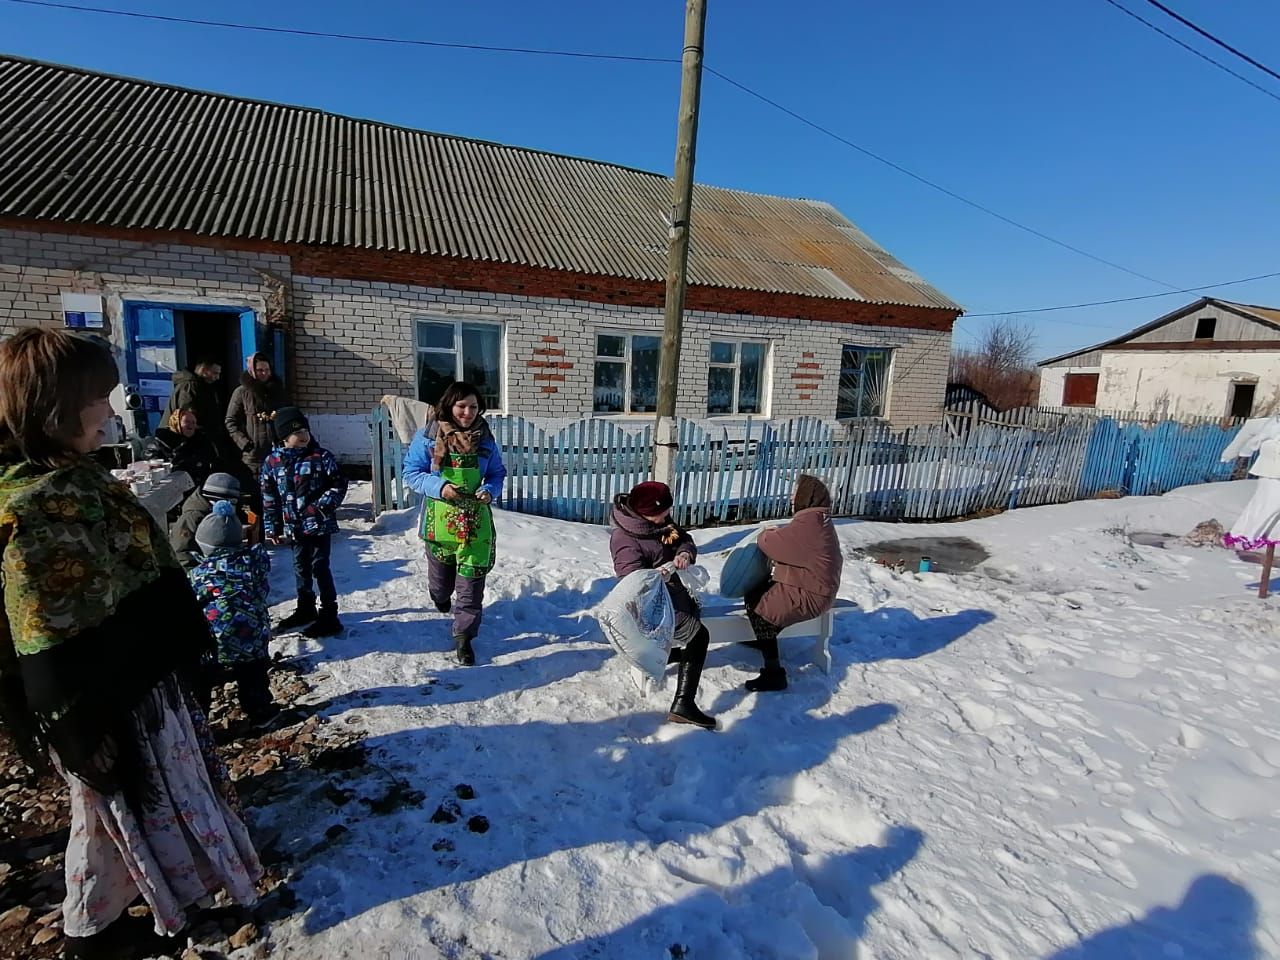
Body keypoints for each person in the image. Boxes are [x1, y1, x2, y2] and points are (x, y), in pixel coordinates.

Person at [0, 328, 261, 957]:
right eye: (102, 398)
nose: (113, 411)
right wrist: (77, 729)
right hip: (108, 707)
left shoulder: (67, 475)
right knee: (110, 821)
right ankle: (95, 934)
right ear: (57, 407)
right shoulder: (35, 506)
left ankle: (136, 912)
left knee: (141, 814)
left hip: (140, 688)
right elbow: (37, 630)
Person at [402, 382, 507, 666]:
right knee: (441, 584)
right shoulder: (427, 437)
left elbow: (497, 474)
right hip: (441, 523)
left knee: (471, 584)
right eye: (462, 406)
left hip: (475, 525)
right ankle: (439, 597)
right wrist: (439, 486)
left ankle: (464, 636)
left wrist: (490, 490)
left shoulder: (485, 439)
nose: (468, 412)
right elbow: (411, 473)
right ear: (449, 405)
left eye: (473, 407)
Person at [609, 481, 716, 730]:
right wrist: (659, 574)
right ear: (644, 512)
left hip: (675, 596)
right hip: (651, 608)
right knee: (699, 636)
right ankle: (683, 705)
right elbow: (632, 584)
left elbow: (682, 538)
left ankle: (668, 655)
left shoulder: (659, 523)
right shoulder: (625, 539)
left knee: (694, 629)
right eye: (662, 513)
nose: (668, 517)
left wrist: (684, 554)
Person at [743, 474, 843, 692]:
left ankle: (773, 672)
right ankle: (762, 639)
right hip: (816, 589)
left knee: (757, 602)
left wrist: (766, 534)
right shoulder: (818, 520)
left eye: (794, 494)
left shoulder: (809, 524)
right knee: (761, 592)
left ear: (805, 497)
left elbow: (771, 544)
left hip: (811, 594)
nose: (790, 499)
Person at [261, 406, 348, 639]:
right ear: (283, 437)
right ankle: (305, 608)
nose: (303, 435)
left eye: (305, 430)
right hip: (294, 527)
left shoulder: (320, 457)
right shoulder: (273, 462)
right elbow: (269, 497)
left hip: (319, 524)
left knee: (320, 567)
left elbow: (339, 483)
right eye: (296, 432)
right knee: (300, 568)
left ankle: (329, 614)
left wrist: (321, 506)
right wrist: (273, 527)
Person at [189, 501, 278, 726]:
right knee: (253, 675)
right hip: (253, 634)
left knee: (203, 680)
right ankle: (260, 712)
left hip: (217, 640)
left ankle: (199, 721)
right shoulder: (254, 563)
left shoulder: (200, 575)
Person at [224, 351, 289, 505]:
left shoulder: (277, 390)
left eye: (267, 370)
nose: (264, 373)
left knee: (279, 494)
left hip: (277, 451)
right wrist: (245, 444)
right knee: (257, 496)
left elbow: (287, 414)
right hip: (253, 455)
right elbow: (230, 421)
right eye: (260, 370)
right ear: (252, 370)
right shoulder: (242, 392)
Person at [170, 471, 255, 568]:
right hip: (200, 568)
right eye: (231, 502)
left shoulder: (223, 511)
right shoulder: (192, 516)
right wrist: (194, 572)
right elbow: (181, 550)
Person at [142, 405, 219, 489]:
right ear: (176, 422)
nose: (191, 425)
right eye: (187, 421)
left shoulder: (201, 441)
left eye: (193, 422)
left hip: (198, 487)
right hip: (170, 488)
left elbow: (213, 460)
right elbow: (151, 459)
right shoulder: (161, 440)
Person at [165, 359, 226, 450]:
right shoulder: (190, 386)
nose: (217, 377)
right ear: (204, 370)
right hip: (185, 443)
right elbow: (186, 417)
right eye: (215, 373)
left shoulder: (203, 387)